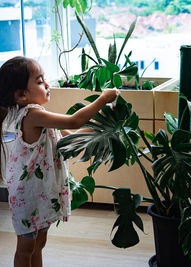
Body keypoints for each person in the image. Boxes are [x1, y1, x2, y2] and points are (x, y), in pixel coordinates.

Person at [0, 56, 118, 267]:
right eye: (38, 81)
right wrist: (102, 100)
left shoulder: (41, 115)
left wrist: (102, 122)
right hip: (28, 194)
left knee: (39, 243)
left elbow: (72, 135)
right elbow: (74, 120)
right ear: (21, 95)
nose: (46, 84)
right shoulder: (31, 115)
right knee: (26, 247)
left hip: (41, 192)